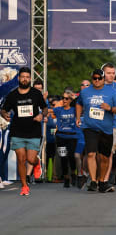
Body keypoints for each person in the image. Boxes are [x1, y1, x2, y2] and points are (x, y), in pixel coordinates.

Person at [1, 67, 46, 196]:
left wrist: (41, 116)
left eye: (27, 77)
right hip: (17, 131)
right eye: (23, 77)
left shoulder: (36, 94)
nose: (25, 79)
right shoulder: (13, 94)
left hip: (33, 131)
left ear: (30, 79)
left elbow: (44, 108)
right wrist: (4, 114)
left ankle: (36, 163)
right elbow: (4, 109)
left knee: (30, 159)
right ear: (19, 78)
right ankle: (24, 186)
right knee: (21, 159)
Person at [76, 69, 116, 193]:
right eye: (94, 78)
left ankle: (102, 182)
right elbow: (78, 103)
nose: (97, 81)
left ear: (103, 79)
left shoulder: (112, 92)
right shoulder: (85, 92)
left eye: (99, 78)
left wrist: (110, 108)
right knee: (91, 154)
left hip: (106, 129)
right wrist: (78, 117)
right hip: (90, 127)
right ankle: (93, 181)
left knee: (104, 158)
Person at [102, 63, 116, 186]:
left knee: (109, 153)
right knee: (94, 153)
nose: (111, 75)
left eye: (113, 73)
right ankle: (94, 178)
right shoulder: (96, 86)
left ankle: (105, 180)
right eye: (108, 73)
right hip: (96, 124)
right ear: (103, 73)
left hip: (113, 125)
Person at [53, 90, 79, 187]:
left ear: (70, 100)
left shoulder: (75, 109)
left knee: (71, 156)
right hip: (61, 137)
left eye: (66, 98)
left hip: (72, 137)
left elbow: (80, 102)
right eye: (63, 98)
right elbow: (50, 110)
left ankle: (73, 172)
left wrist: (74, 97)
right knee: (63, 157)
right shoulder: (59, 109)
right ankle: (66, 177)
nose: (64, 100)